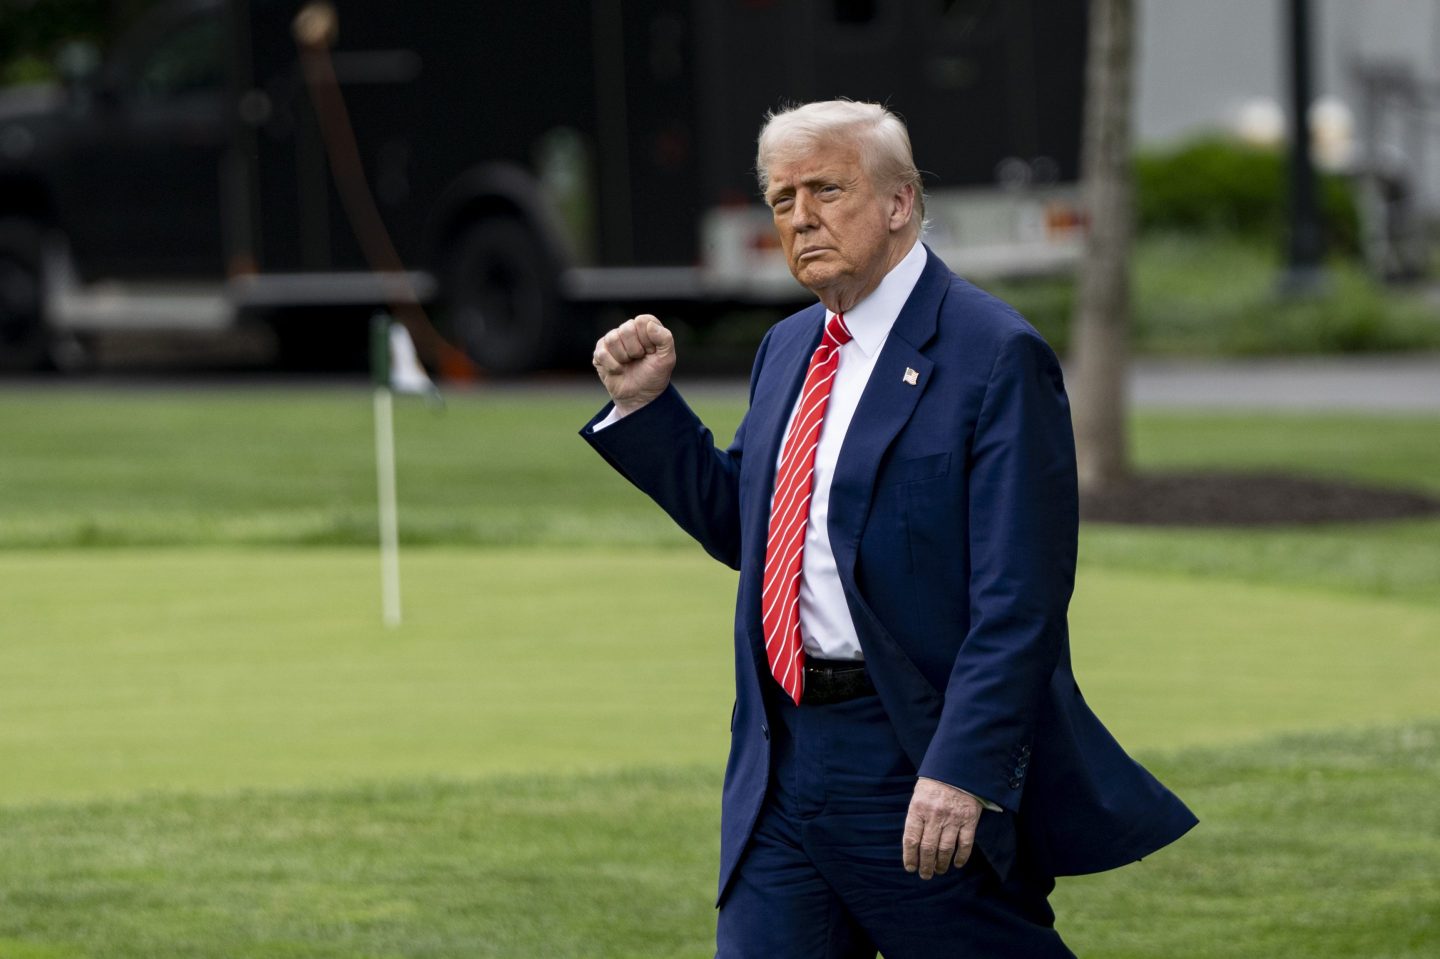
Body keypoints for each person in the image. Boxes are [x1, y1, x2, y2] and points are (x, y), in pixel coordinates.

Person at [582, 100, 1195, 958]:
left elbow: (1019, 598)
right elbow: (753, 531)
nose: (801, 217)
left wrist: (963, 768)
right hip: (781, 759)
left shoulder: (994, 354)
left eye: (827, 189)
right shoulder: (789, 347)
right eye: (782, 197)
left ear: (901, 201)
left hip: (913, 760)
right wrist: (648, 410)